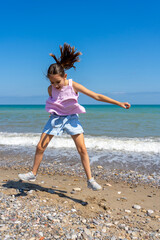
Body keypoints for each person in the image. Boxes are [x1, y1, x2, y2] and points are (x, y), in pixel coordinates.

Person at [18, 43, 131, 191]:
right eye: (52, 82)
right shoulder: (50, 89)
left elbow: (96, 96)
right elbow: (56, 103)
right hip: (55, 119)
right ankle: (33, 173)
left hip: (72, 119)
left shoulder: (73, 85)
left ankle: (90, 180)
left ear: (64, 76)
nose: (55, 85)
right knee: (40, 147)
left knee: (82, 149)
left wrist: (118, 103)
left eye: (57, 82)